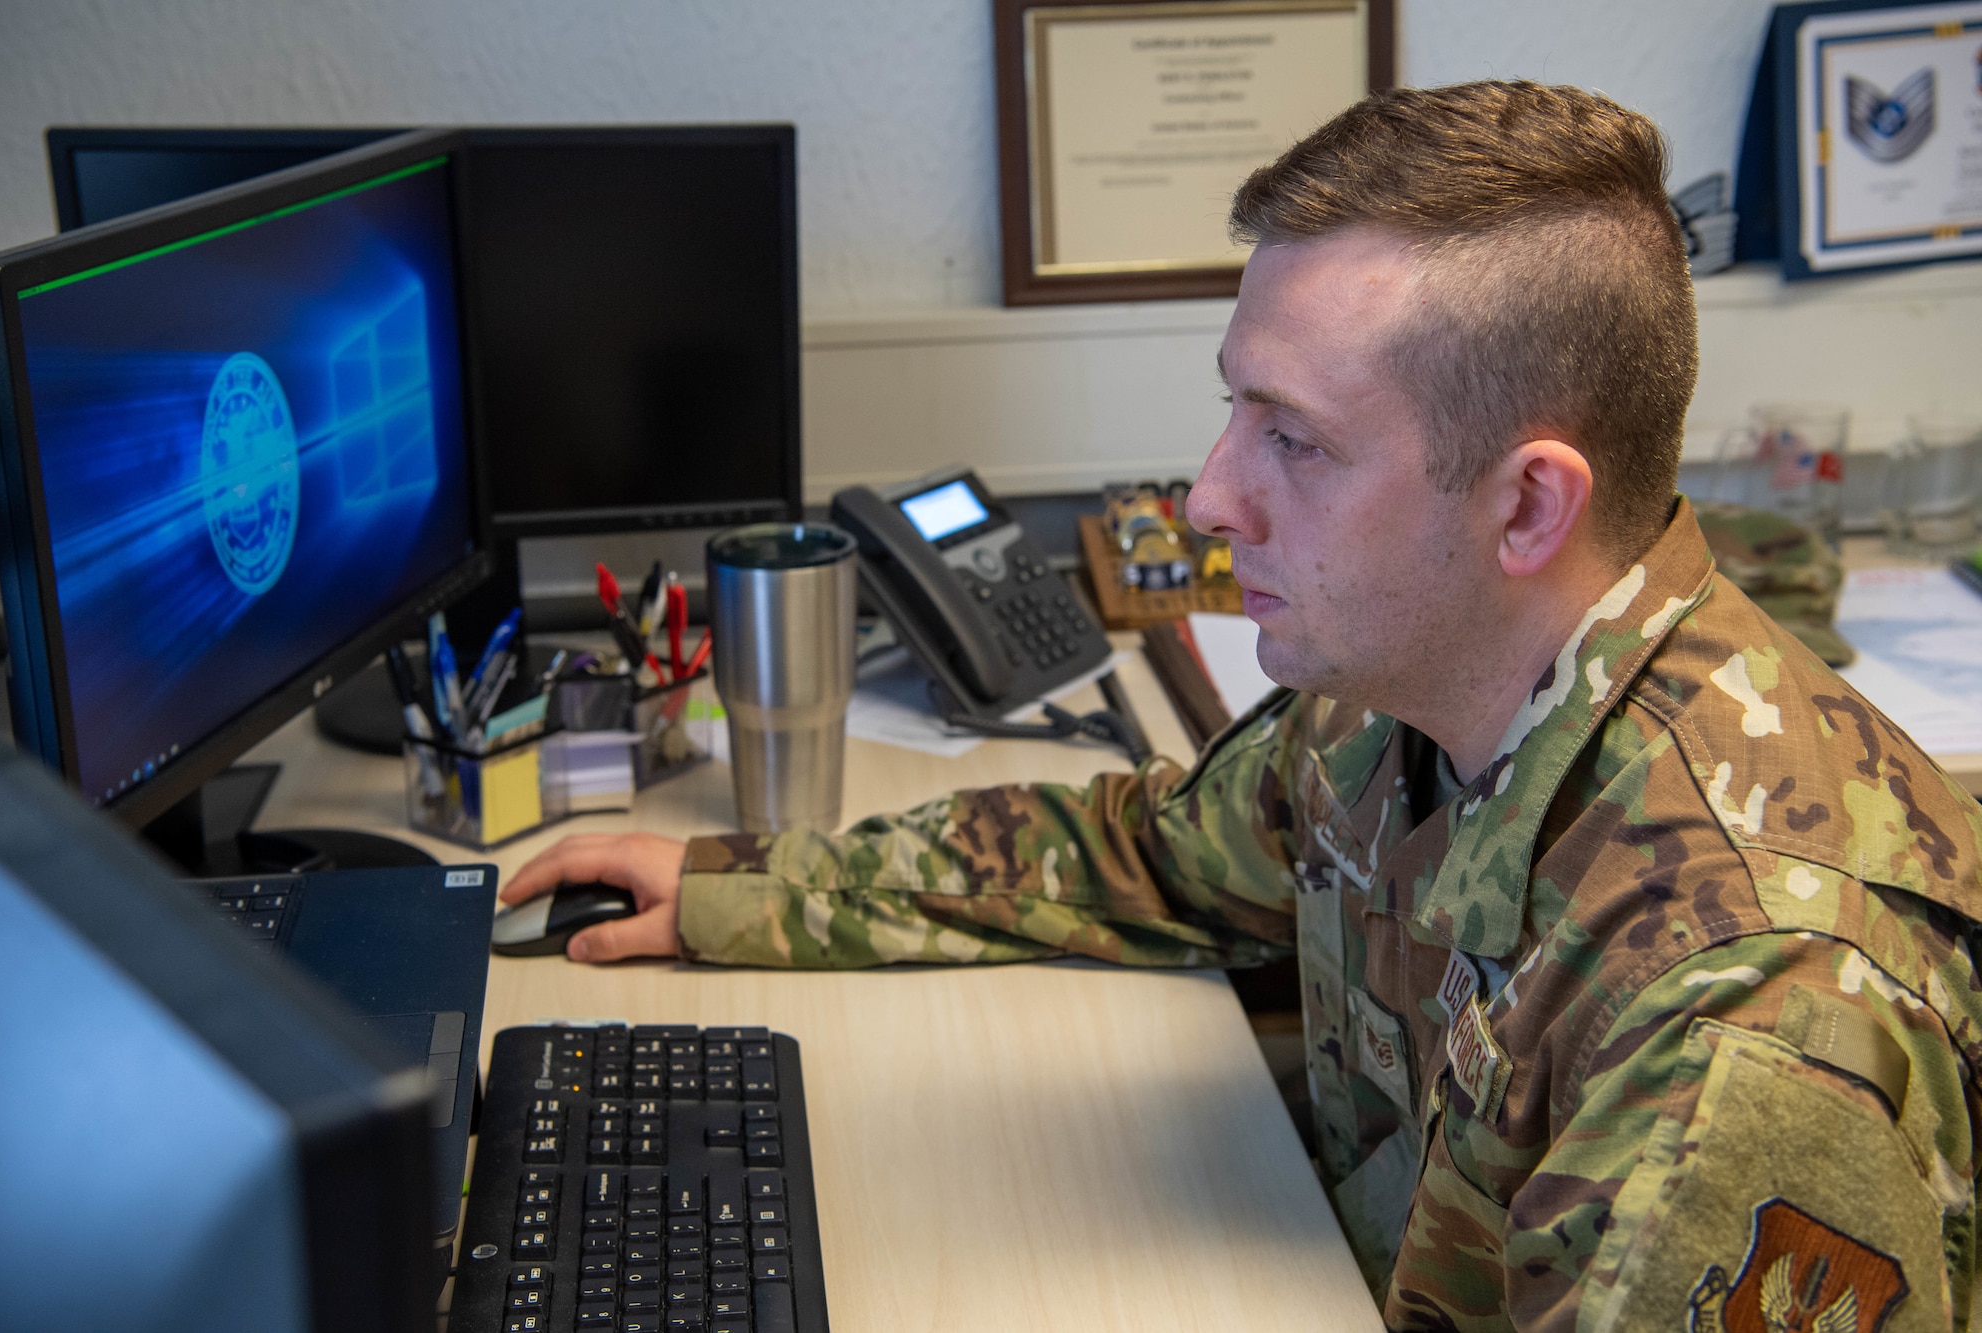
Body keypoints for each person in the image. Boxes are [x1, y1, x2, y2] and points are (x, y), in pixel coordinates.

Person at [504, 81, 1982, 1329]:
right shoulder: (1399, 691)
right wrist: (732, 886)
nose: (1212, 496)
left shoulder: (1743, 1015)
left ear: (1529, 503)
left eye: (1297, 440)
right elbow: (1149, 852)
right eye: (1235, 410)